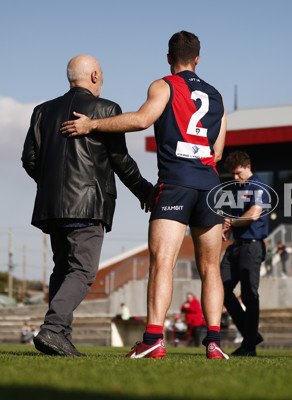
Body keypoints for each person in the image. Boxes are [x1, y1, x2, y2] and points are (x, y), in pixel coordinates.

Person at [61, 31, 229, 359]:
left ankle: (153, 339)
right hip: (210, 185)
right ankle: (214, 343)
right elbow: (218, 151)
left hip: (176, 182)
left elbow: (141, 120)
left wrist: (92, 126)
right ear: (198, 58)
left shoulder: (163, 85)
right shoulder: (217, 96)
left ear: (169, 58)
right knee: (211, 267)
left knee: (163, 262)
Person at [22, 55, 153, 357]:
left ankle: (60, 339)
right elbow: (120, 160)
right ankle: (54, 329)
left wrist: (52, 185)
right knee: (82, 271)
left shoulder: (41, 111)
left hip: (52, 206)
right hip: (88, 205)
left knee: (62, 270)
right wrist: (145, 191)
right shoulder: (106, 110)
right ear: (94, 76)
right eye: (102, 74)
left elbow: (29, 160)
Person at [220, 151, 269, 356]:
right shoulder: (237, 190)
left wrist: (232, 222)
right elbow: (238, 215)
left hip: (252, 246)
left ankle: (249, 345)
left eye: (238, 173)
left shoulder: (258, 186)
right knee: (220, 289)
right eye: (232, 174)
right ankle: (251, 335)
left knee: (250, 295)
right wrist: (228, 224)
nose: (235, 177)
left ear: (248, 167)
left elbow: (254, 214)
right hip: (236, 246)